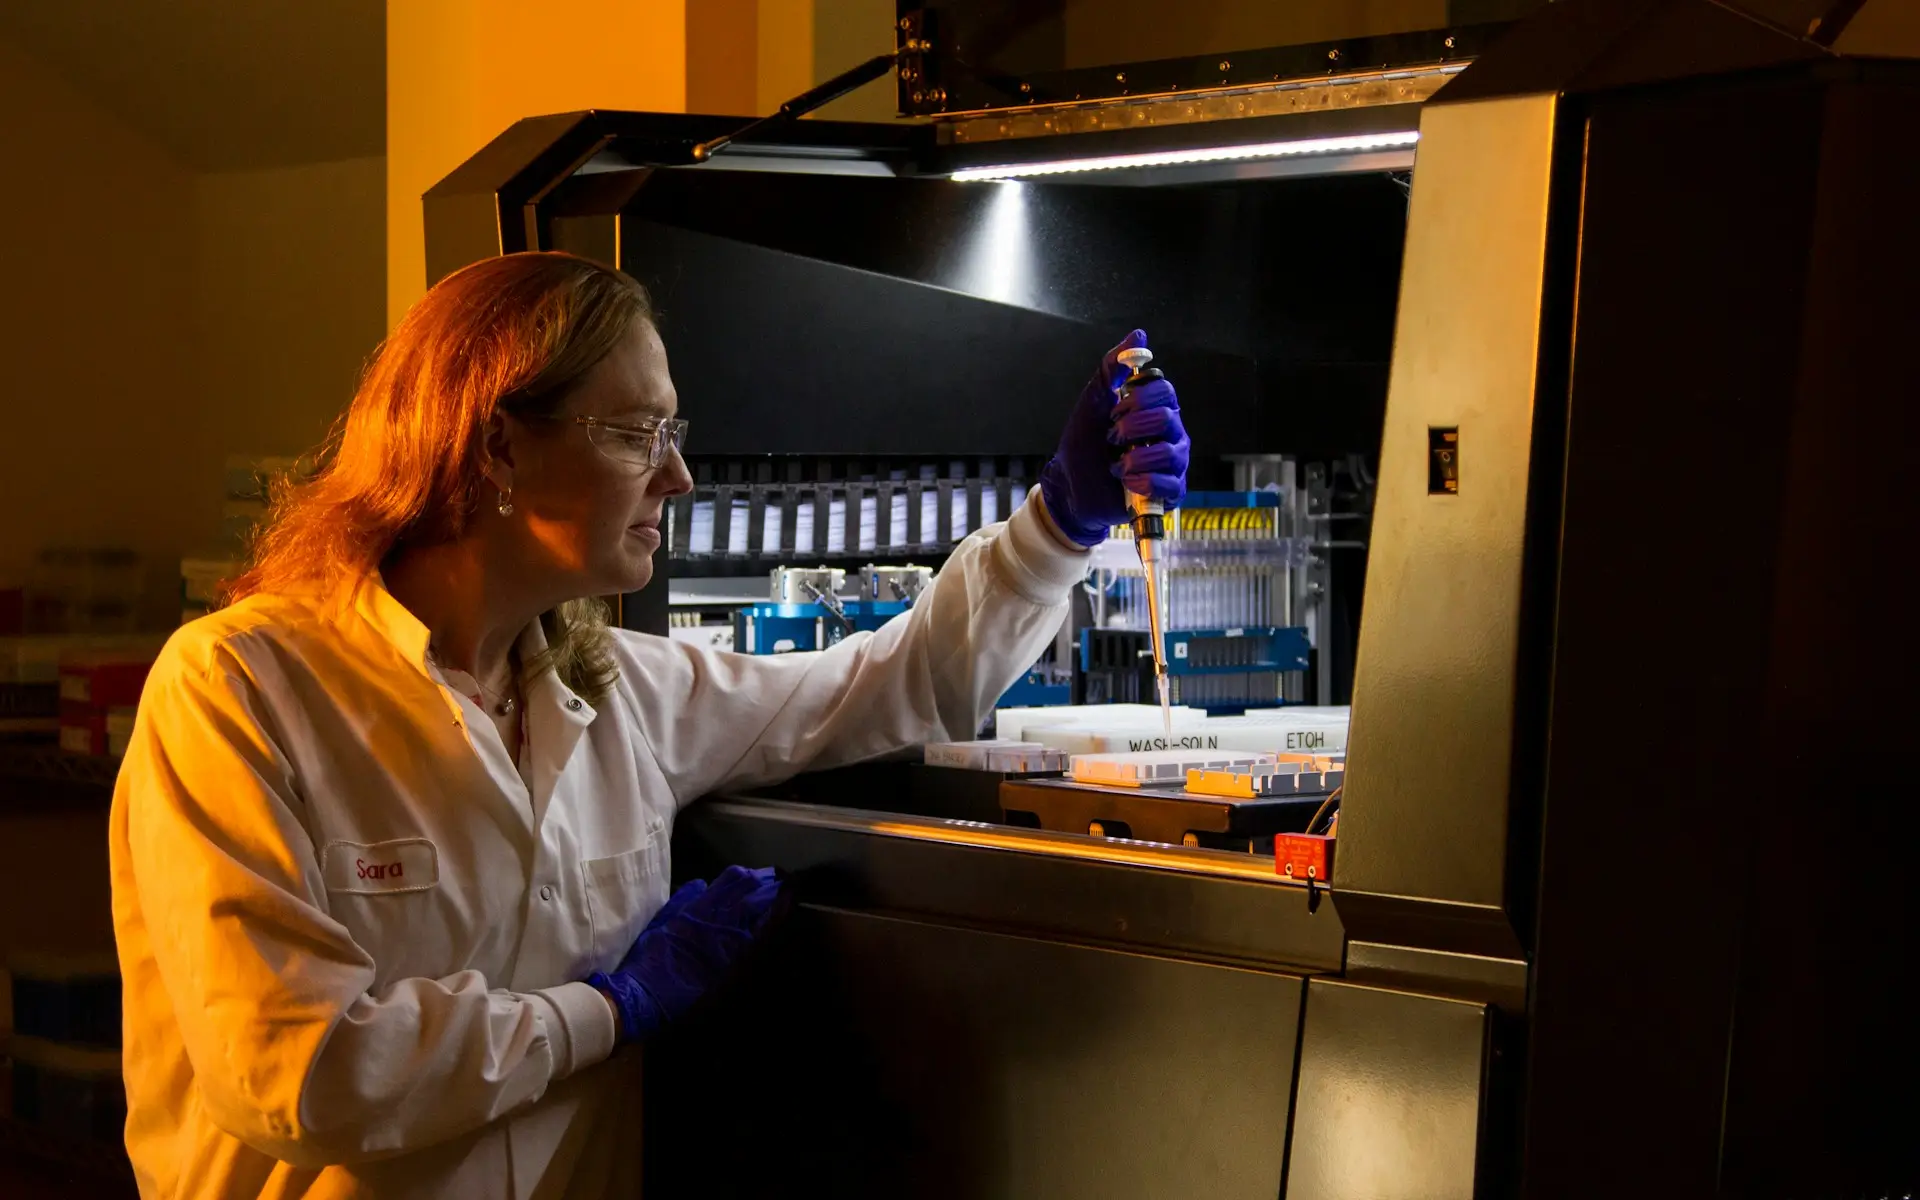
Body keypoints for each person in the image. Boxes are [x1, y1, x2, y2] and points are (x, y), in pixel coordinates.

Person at [107, 250, 1188, 1199]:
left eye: (674, 432)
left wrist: (1061, 523)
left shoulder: (618, 689)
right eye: (635, 434)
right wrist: (609, 1011)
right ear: (493, 450)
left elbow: (889, 682)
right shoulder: (241, 691)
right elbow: (297, 1073)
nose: (677, 474)